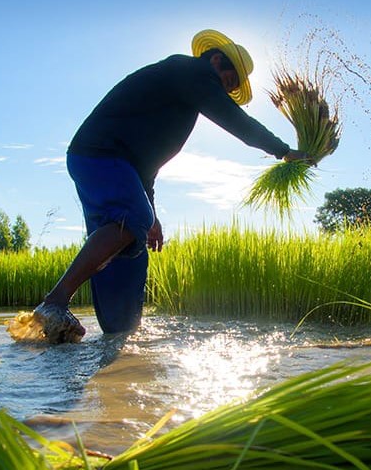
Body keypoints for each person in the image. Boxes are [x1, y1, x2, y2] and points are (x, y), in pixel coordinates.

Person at [33, 28, 309, 344]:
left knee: (129, 253)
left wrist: (151, 214)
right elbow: (236, 121)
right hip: (98, 155)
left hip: (118, 166)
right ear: (216, 60)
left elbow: (147, 164)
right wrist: (284, 151)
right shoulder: (188, 71)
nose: (223, 91)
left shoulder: (181, 99)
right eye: (227, 82)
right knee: (130, 221)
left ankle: (110, 340)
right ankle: (55, 302)